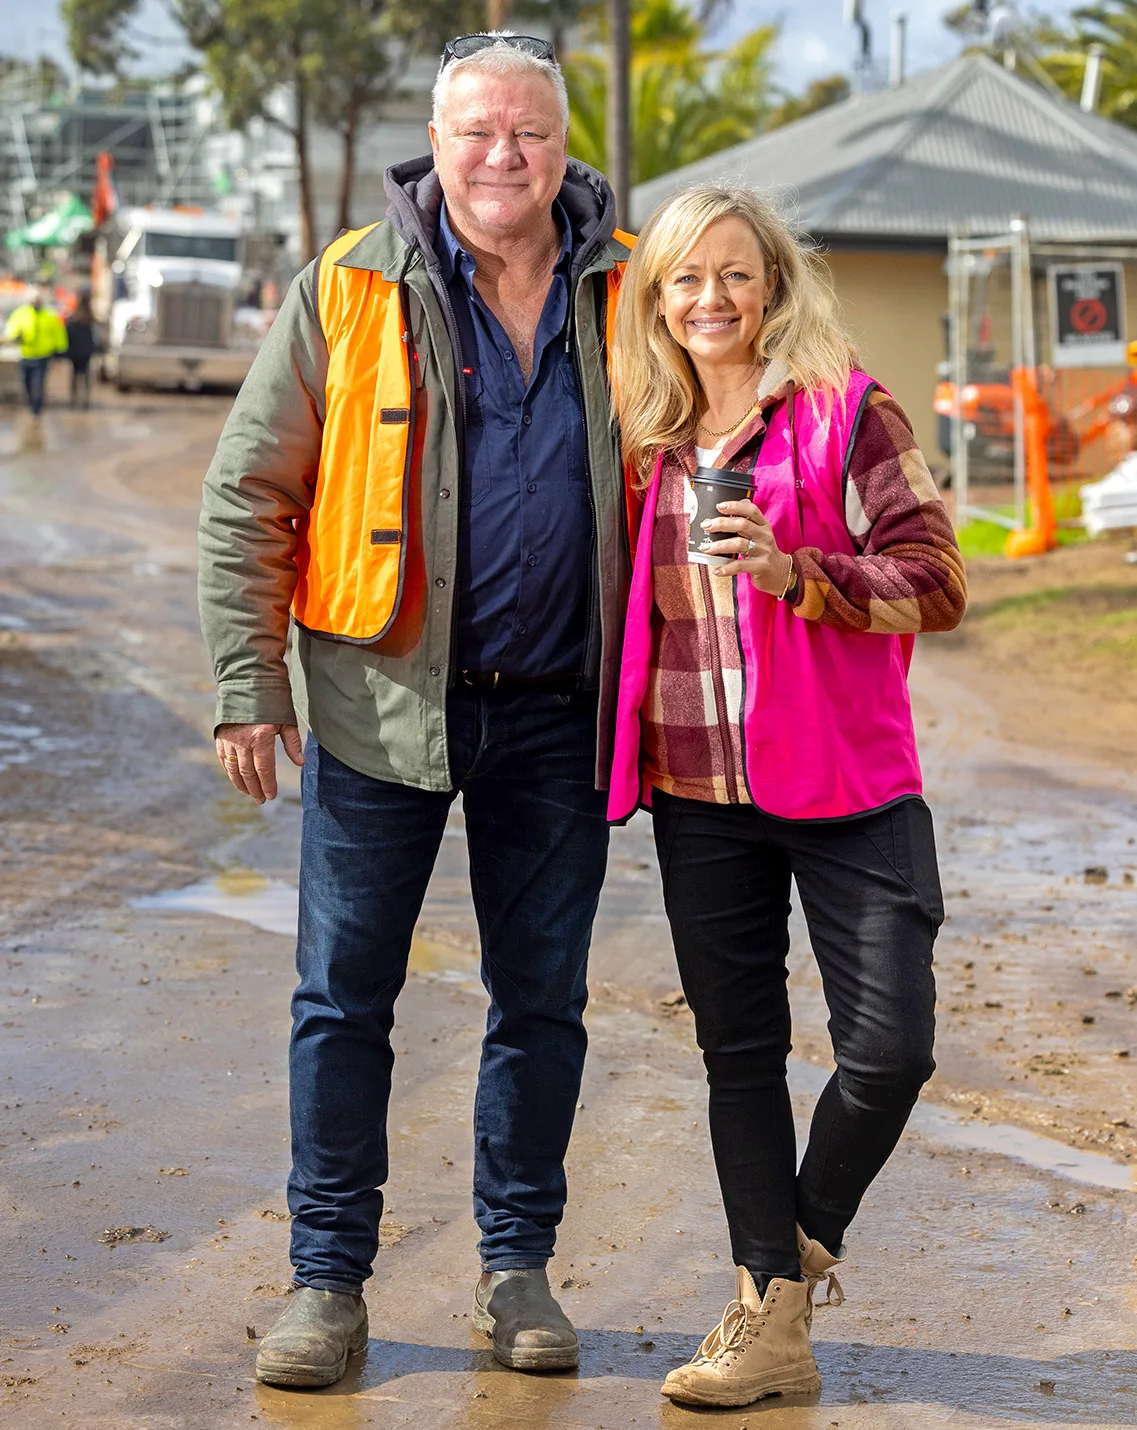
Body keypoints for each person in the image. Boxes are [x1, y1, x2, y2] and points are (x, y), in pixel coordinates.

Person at [197, 32, 633, 1390]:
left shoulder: (638, 288)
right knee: (343, 999)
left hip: (561, 711)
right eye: (480, 131)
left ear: (566, 148)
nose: (506, 156)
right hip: (379, 705)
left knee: (541, 1001)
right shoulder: (349, 285)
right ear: (434, 143)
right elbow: (246, 494)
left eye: (533, 134)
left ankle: (517, 1266)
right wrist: (247, 685)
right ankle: (326, 1283)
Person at [607, 186, 968, 1408]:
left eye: (734, 275)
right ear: (656, 299)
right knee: (740, 1053)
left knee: (891, 1048)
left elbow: (938, 578)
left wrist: (798, 571)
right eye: (683, 280)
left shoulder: (846, 412)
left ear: (774, 284)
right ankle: (769, 1313)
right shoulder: (643, 436)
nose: (709, 299)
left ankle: (791, 1263)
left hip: (851, 783)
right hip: (701, 790)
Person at [5, 287, 67, 430]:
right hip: (26, 354)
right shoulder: (21, 314)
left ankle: (36, 409)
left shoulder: (50, 316)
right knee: (27, 383)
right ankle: (31, 403)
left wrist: (60, 351)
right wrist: (15, 336)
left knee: (38, 384)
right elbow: (12, 330)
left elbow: (59, 333)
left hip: (43, 356)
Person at [64, 292, 98, 409]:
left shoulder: (74, 318)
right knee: (85, 375)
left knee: (75, 374)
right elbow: (95, 335)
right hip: (86, 351)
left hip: (75, 351)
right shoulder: (90, 318)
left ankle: (74, 398)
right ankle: (85, 399)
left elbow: (68, 333)